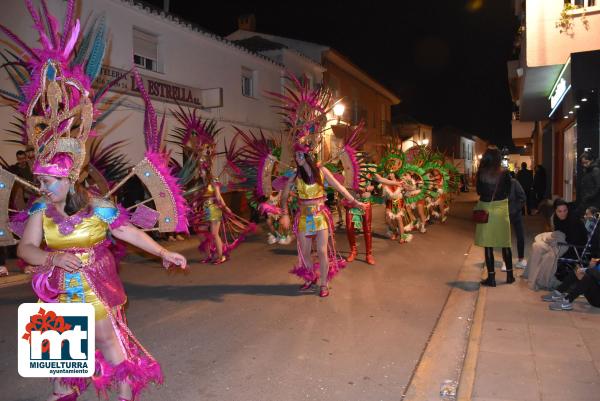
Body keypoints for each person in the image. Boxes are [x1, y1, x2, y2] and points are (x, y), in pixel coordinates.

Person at [279, 150, 365, 297]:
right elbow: (284, 196)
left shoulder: (322, 171)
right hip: (304, 218)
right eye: (296, 156)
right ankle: (312, 277)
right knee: (305, 253)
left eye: (300, 155)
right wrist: (285, 214)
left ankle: (324, 283)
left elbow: (340, 188)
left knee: (322, 251)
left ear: (308, 156)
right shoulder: (295, 175)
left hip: (320, 216)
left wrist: (355, 202)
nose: (297, 158)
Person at [475, 148, 514, 287]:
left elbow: (479, 191)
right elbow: (509, 191)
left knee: (488, 245)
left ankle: (491, 278)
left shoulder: (481, 173)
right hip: (501, 210)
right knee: (506, 243)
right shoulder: (505, 173)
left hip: (486, 209)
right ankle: (510, 276)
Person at [502, 177, 527, 271]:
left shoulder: (514, 183)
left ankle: (521, 259)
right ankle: (505, 261)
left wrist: (516, 208)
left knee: (520, 236)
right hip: (503, 215)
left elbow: (523, 197)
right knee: (505, 239)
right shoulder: (498, 183)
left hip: (516, 214)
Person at [579, 151, 600, 215]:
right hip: (586, 201)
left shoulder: (595, 170)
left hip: (593, 202)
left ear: (592, 160)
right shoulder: (587, 169)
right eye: (583, 163)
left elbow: (598, 186)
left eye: (586, 162)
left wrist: (588, 196)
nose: (584, 165)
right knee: (586, 221)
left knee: (591, 222)